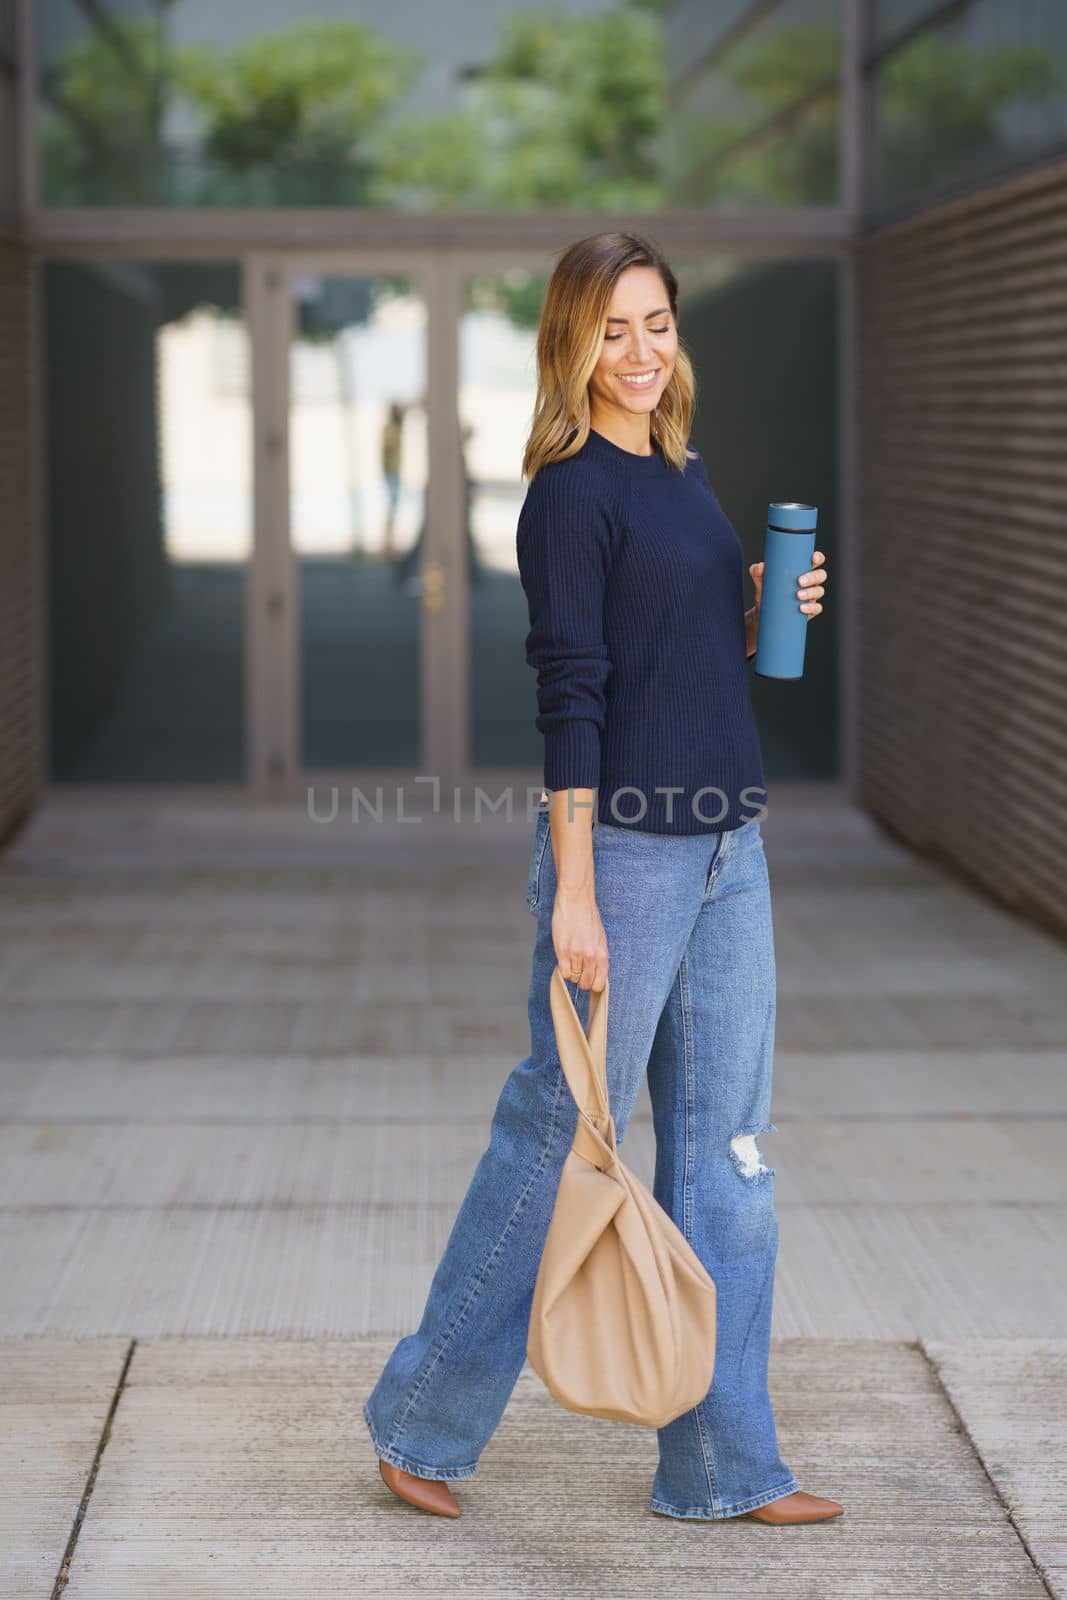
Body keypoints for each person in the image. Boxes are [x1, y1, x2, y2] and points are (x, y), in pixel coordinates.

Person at [363, 230, 841, 1527]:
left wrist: (753, 606)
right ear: (571, 343)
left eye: (659, 326)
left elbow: (675, 662)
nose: (639, 354)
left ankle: (724, 1467)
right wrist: (572, 887)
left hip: (728, 845)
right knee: (562, 1136)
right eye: (613, 330)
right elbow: (572, 699)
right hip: (623, 851)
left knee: (728, 1157)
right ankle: (421, 1422)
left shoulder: (678, 474)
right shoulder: (570, 493)